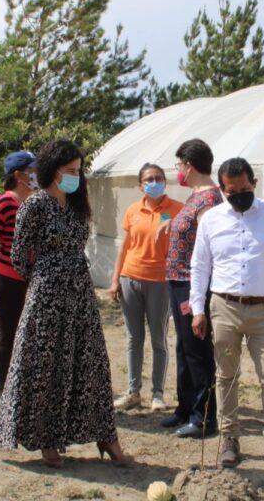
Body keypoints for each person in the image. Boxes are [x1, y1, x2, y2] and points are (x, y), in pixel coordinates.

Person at [0, 139, 130, 468]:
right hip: (47, 296)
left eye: (79, 171)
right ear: (52, 170)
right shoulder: (35, 205)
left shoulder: (79, 204)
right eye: (70, 171)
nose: (75, 177)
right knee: (45, 366)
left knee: (92, 366)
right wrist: (45, 276)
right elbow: (18, 256)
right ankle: (46, 439)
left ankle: (106, 437)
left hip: (80, 295)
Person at [190, 157, 264, 472]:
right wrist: (198, 309)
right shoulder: (211, 219)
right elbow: (200, 266)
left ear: (254, 182)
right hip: (223, 308)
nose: (239, 194)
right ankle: (229, 439)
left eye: (245, 188)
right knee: (226, 376)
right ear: (222, 189)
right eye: (232, 190)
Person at [160, 138, 223, 439]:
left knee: (197, 351)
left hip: (192, 284)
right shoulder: (195, 197)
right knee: (184, 348)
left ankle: (203, 417)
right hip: (177, 280)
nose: (177, 172)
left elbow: (208, 247)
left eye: (179, 166)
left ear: (189, 165)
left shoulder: (210, 200)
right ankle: (184, 408)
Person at [109, 163, 183, 412]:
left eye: (158, 178)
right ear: (140, 185)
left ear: (165, 181)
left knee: (158, 338)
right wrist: (115, 279)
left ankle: (158, 394)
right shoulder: (133, 210)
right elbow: (124, 247)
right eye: (148, 179)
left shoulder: (177, 210)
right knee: (133, 338)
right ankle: (133, 392)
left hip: (161, 282)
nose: (154, 182)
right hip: (131, 277)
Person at [0, 150, 38, 394]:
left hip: (33, 280)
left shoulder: (36, 201)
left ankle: (24, 388)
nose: (37, 175)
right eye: (32, 170)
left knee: (31, 337)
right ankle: (4, 393)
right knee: (9, 335)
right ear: (18, 174)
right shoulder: (4, 202)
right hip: (8, 281)